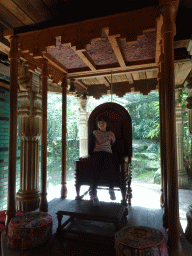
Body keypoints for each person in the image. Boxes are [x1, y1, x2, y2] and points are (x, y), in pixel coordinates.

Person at [88, 114, 117, 206]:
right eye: (99, 122)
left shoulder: (111, 134)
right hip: (97, 153)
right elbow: (90, 145)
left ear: (106, 124)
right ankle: (94, 193)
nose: (101, 124)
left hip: (108, 153)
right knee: (95, 170)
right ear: (97, 124)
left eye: (103, 122)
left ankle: (111, 189)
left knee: (111, 166)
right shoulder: (95, 133)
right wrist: (91, 155)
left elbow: (115, 146)